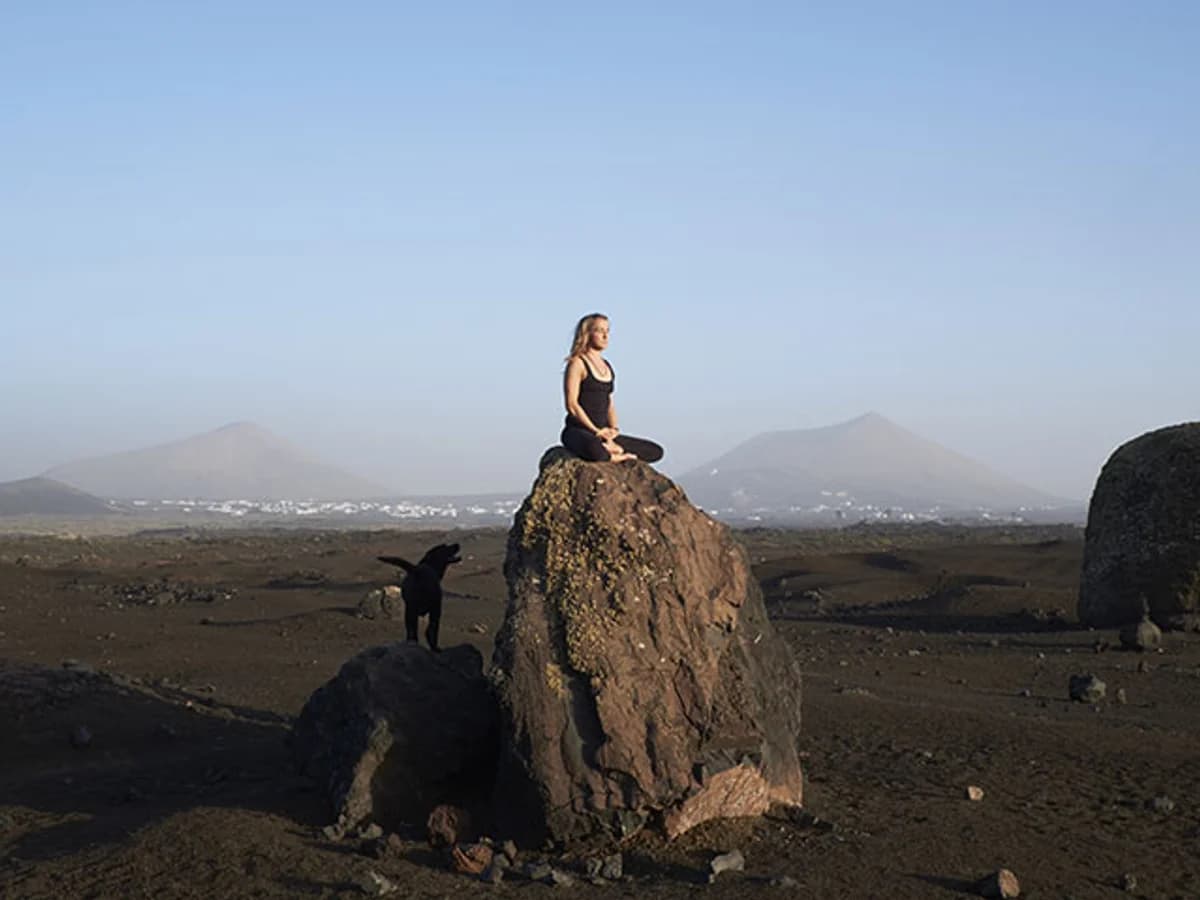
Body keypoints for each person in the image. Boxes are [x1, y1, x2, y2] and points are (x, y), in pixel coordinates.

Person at [561, 313, 664, 463]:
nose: (605, 335)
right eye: (599, 330)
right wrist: (596, 431)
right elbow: (572, 405)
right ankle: (617, 456)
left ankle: (614, 449)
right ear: (587, 334)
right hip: (580, 432)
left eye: (607, 331)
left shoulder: (607, 366)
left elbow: (609, 402)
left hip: (605, 434)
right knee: (594, 449)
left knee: (655, 451)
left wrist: (614, 431)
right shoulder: (577, 363)